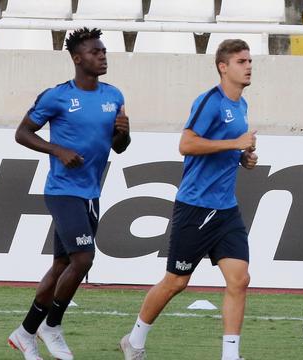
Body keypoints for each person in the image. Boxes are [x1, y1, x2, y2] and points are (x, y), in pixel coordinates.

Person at [119, 39, 257, 360]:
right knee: (176, 281)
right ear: (223, 67)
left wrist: (242, 158)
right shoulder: (210, 101)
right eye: (241, 61)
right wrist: (235, 143)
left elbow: (224, 147)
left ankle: (230, 355)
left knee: (240, 279)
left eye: (250, 61)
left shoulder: (241, 105)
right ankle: (135, 340)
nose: (249, 66)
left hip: (226, 210)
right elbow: (187, 144)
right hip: (196, 207)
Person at [7, 27, 131, 360]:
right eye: (95, 52)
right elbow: (22, 133)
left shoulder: (114, 95)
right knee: (83, 259)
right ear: (78, 59)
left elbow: (119, 147)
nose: (102, 56)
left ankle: (25, 333)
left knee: (61, 264)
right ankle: (52, 325)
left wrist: (124, 134)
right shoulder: (56, 96)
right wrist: (57, 150)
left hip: (91, 191)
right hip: (63, 190)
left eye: (104, 51)